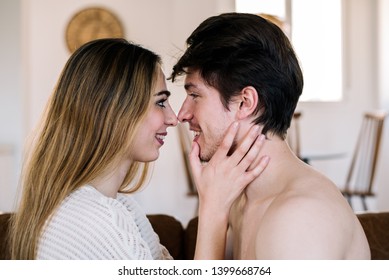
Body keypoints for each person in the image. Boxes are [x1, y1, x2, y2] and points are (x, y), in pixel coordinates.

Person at [10, 38, 269, 260]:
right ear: (113, 112)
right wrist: (213, 207)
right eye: (160, 103)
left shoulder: (120, 207)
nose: (173, 118)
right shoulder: (90, 219)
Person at [170, 13, 371, 259]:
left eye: (195, 95)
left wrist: (211, 210)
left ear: (246, 102)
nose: (182, 114)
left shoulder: (298, 217)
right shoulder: (239, 200)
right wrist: (212, 207)